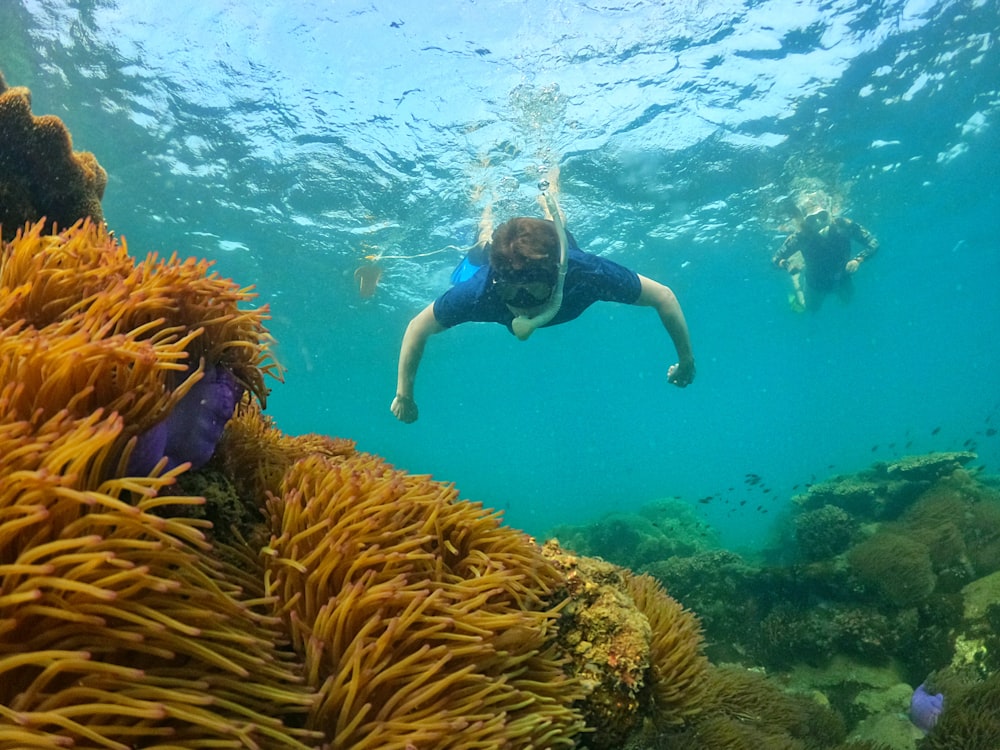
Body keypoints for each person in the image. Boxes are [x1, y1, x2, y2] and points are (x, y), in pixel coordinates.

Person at [390, 186, 695, 424]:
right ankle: (485, 218)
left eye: (534, 289)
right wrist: (404, 393)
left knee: (558, 225)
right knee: (484, 244)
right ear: (498, 282)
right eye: (512, 291)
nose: (523, 304)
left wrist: (686, 360)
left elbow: (663, 296)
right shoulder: (482, 290)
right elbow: (418, 326)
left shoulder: (584, 274)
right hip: (492, 257)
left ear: (556, 277)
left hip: (561, 249)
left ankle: (550, 193)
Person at [772, 198, 879, 312]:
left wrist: (858, 260)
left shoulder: (843, 224)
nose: (818, 222)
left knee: (848, 301)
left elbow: (873, 243)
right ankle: (797, 285)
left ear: (829, 212)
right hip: (815, 284)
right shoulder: (799, 237)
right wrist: (787, 265)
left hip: (843, 278)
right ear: (805, 221)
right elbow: (776, 259)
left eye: (822, 216)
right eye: (811, 219)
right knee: (810, 310)